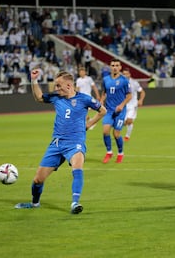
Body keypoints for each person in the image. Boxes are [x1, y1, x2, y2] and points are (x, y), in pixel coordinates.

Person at [15, 69, 107, 213]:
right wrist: (34, 80)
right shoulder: (56, 97)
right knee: (38, 180)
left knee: (77, 168)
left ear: (69, 86)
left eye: (58, 85)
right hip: (57, 144)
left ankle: (75, 203)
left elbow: (103, 111)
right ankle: (34, 204)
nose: (56, 89)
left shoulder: (84, 99)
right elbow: (39, 97)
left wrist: (89, 124)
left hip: (75, 143)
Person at [101, 59, 132, 163]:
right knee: (105, 131)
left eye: (117, 65)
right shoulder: (105, 79)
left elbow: (129, 96)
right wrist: (101, 102)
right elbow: (104, 93)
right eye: (113, 65)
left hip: (120, 111)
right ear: (110, 66)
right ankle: (109, 152)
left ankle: (120, 153)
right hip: (109, 110)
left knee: (116, 134)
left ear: (120, 67)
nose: (114, 67)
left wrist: (121, 105)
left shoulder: (124, 80)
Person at [122, 68, 146, 141]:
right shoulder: (119, 83)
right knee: (123, 122)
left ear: (129, 74)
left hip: (133, 105)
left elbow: (142, 92)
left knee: (129, 120)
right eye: (124, 74)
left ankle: (127, 136)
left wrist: (141, 100)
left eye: (127, 74)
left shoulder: (134, 83)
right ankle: (119, 126)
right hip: (123, 105)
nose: (125, 75)